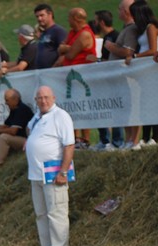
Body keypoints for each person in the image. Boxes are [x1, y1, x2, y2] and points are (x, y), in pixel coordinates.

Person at [25, 86, 75, 246]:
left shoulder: (61, 116)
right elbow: (29, 130)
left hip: (53, 174)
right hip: (36, 174)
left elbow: (69, 145)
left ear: (53, 98)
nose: (43, 101)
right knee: (41, 214)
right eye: (39, 98)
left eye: (46, 97)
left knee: (57, 213)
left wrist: (63, 172)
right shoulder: (37, 117)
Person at [57, 8, 96, 149]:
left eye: (69, 17)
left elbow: (70, 54)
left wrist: (67, 48)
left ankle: (85, 139)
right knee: (72, 108)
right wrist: (68, 47)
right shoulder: (73, 32)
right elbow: (60, 48)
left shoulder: (85, 33)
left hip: (82, 76)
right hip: (70, 75)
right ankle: (75, 137)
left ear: (75, 18)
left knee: (82, 107)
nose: (67, 20)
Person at [128, 0, 158, 147]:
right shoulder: (144, 29)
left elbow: (153, 50)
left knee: (152, 103)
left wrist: (135, 57)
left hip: (152, 70)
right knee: (145, 103)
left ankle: (154, 137)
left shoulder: (151, 27)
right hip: (145, 71)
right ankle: (146, 136)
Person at [105, 0, 138, 150]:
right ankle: (128, 139)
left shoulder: (131, 29)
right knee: (123, 107)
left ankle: (133, 140)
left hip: (127, 76)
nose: (117, 12)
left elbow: (127, 51)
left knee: (130, 107)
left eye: (119, 9)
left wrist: (111, 47)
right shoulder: (125, 28)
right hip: (119, 76)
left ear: (126, 11)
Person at [90, 10, 125, 151]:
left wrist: (96, 60)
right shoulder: (107, 38)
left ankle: (117, 141)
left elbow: (116, 58)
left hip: (116, 79)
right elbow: (106, 59)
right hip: (105, 79)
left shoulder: (116, 36)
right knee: (101, 107)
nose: (95, 24)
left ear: (102, 22)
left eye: (96, 21)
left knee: (115, 108)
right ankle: (104, 140)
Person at [34, 3, 67, 69]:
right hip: (42, 73)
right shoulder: (43, 33)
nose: (39, 19)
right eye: (37, 16)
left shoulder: (58, 31)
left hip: (53, 73)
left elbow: (64, 54)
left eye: (42, 15)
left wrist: (53, 69)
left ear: (50, 14)